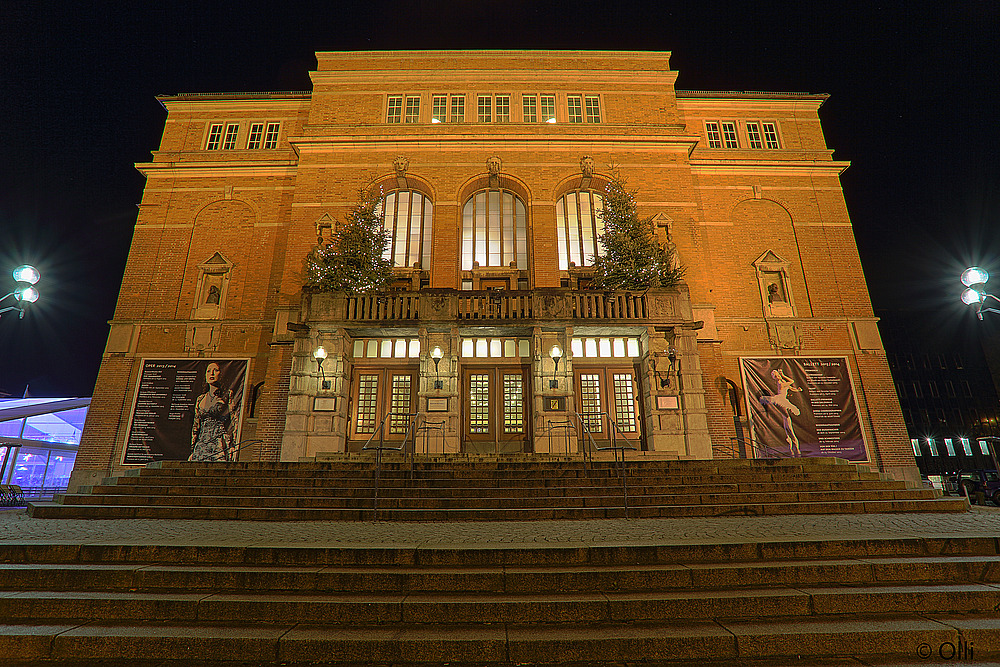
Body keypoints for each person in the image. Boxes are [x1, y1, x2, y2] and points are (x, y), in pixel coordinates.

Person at [188, 362, 237, 462]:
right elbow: (196, 425)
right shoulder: (201, 399)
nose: (212, 373)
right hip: (202, 442)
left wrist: (233, 445)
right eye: (209, 371)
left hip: (219, 441)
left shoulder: (227, 395)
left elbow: (234, 421)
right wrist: (193, 448)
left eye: (216, 370)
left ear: (221, 374)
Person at [759, 368, 803, 456]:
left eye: (778, 375)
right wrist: (783, 375)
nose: (778, 377)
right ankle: (793, 443)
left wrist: (797, 390)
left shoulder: (782, 381)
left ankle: (790, 442)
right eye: (776, 376)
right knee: (787, 418)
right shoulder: (780, 383)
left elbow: (790, 387)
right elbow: (791, 381)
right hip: (781, 400)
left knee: (786, 421)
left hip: (783, 399)